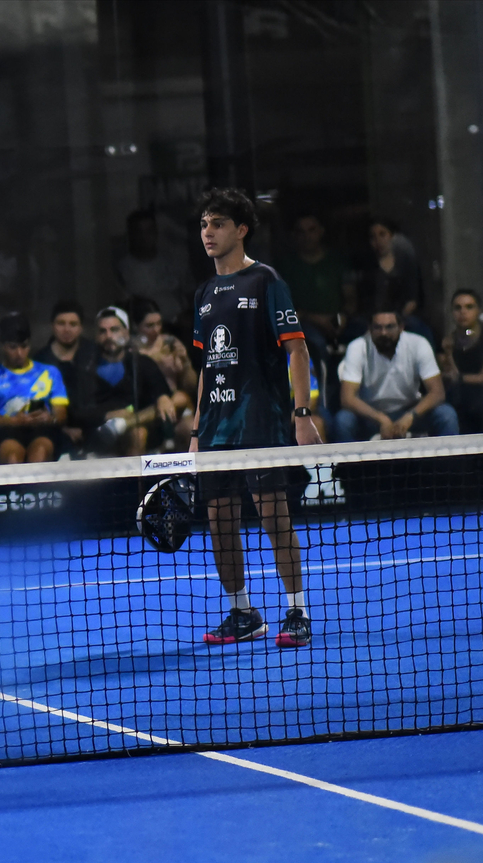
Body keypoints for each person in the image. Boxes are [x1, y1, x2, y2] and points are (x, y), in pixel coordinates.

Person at [189, 187, 320, 649]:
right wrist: (196, 431)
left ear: (241, 229)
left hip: (260, 422)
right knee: (220, 523)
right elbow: (206, 368)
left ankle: (297, 611)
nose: (208, 232)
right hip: (215, 429)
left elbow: (297, 349)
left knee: (273, 518)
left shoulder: (266, 280)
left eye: (218, 224)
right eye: (204, 224)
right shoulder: (204, 293)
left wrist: (302, 414)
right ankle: (242, 612)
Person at [333, 310, 458, 441]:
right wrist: (381, 418)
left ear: (401, 327)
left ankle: (448, 455)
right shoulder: (357, 347)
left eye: (390, 327)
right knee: (343, 420)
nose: (383, 333)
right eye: (377, 327)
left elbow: (437, 393)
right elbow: (347, 398)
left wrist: (410, 416)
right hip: (370, 415)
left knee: (446, 414)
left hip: (410, 411)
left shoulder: (418, 343)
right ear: (369, 329)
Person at [69, 307, 173, 456]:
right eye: (103, 331)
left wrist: (162, 397)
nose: (109, 336)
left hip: (140, 430)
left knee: (139, 432)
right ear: (96, 335)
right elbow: (75, 412)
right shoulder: (84, 367)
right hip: (98, 433)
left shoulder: (141, 363)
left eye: (114, 330)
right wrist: (109, 415)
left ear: (126, 332)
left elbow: (161, 390)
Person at [0, 314, 68, 464]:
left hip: (42, 429)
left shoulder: (49, 372)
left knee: (39, 454)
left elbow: (61, 415)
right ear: (2, 346)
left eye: (24, 346)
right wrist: (14, 421)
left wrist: (49, 419)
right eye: (13, 347)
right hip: (5, 430)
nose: (19, 353)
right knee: (13, 458)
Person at [275, 213, 355, 358]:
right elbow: (281, 307)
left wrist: (343, 317)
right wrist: (315, 319)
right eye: (301, 232)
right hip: (304, 323)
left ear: (321, 231)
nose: (307, 236)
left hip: (338, 321)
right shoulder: (286, 266)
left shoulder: (337, 261)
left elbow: (350, 297)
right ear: (294, 235)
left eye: (311, 230)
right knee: (315, 344)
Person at [131, 298, 196, 450]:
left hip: (175, 405)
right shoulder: (131, 349)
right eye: (149, 326)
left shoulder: (170, 343)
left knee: (185, 412)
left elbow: (191, 386)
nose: (156, 330)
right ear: (136, 326)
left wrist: (185, 362)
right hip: (146, 406)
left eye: (159, 323)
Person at [356, 216, 433, 343]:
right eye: (373, 237)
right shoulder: (367, 267)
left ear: (392, 236)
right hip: (373, 318)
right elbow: (365, 301)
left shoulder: (406, 264)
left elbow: (412, 300)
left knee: (419, 328)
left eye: (382, 234)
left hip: (403, 317)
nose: (378, 240)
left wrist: (396, 320)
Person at [32, 301, 97, 447]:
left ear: (81, 328)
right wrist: (63, 429)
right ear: (52, 326)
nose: (67, 329)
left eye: (73, 324)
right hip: (54, 433)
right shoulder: (40, 361)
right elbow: (37, 407)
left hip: (95, 428)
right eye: (61, 323)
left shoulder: (94, 353)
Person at [115, 209, 189, 325]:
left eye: (149, 231)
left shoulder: (171, 263)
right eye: (139, 232)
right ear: (131, 235)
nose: (144, 237)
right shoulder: (123, 269)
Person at [440, 288, 483, 434]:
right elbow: (451, 375)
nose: (463, 312)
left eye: (469, 307)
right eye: (458, 308)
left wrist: (459, 378)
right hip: (461, 399)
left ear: (478, 310)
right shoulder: (451, 340)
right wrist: (448, 353)